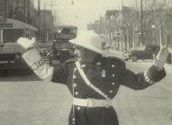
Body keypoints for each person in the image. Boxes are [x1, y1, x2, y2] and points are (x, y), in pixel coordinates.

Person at [17, 31, 168, 125]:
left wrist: (158, 67)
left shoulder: (113, 66)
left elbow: (138, 82)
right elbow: (46, 72)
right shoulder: (71, 67)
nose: (75, 50)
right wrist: (31, 51)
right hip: (79, 117)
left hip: (105, 118)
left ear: (88, 50)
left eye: (78, 47)